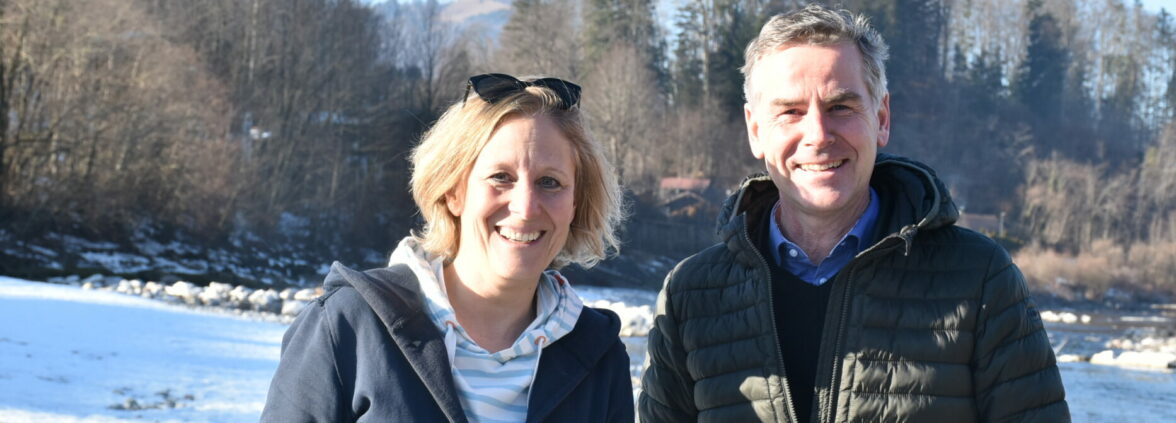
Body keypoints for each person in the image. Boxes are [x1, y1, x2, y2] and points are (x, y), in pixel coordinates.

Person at [638, 4, 1070, 422]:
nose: (818, 135)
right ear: (755, 130)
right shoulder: (691, 296)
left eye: (840, 107)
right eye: (790, 111)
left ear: (881, 118)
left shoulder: (979, 277)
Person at [262, 73, 633, 422]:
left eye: (549, 182)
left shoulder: (599, 358)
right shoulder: (348, 325)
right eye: (500, 177)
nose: (525, 207)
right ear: (454, 192)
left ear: (576, 203)